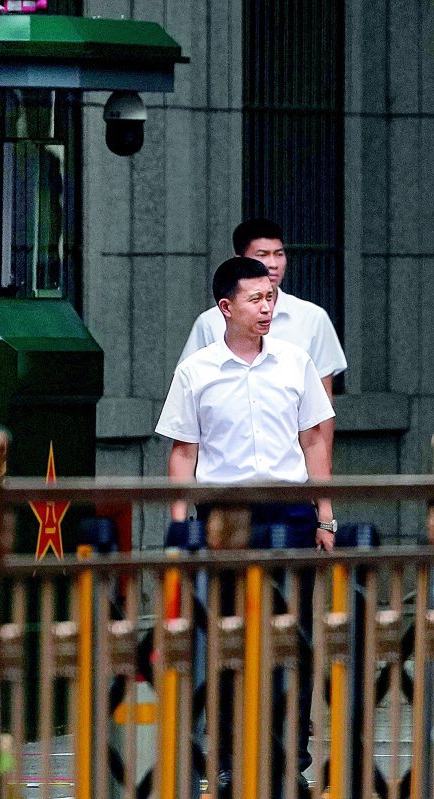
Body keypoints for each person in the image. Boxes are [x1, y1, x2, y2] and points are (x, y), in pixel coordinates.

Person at [157, 256, 335, 799]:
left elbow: (313, 442)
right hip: (225, 521)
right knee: (229, 641)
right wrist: (181, 527)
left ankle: (292, 759)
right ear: (225, 307)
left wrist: (325, 513)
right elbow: (183, 453)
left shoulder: (295, 362)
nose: (267, 307)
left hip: (289, 512)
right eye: (256, 299)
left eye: (271, 298)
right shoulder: (197, 370)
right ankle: (232, 756)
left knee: (295, 640)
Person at [178, 218, 345, 462]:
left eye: (279, 254)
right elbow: (188, 406)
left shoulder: (312, 318)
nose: (272, 264)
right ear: (239, 261)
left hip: (290, 471)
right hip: (226, 469)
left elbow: (322, 412)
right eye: (262, 255)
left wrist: (321, 487)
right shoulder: (210, 322)